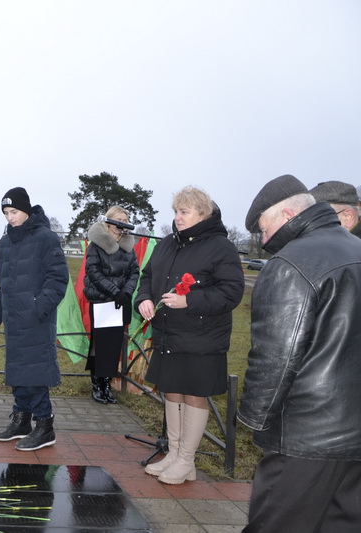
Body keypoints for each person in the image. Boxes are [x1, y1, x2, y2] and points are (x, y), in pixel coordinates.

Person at [239, 174, 361, 532]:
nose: (263, 240)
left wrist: (252, 418)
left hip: (307, 433)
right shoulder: (355, 250)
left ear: (287, 214)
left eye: (263, 229)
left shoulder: (290, 263)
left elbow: (276, 355)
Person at [134, 186, 243, 484]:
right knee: (171, 390)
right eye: (176, 212)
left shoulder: (221, 247)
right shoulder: (168, 243)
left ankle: (186, 459)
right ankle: (174, 453)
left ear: (202, 214)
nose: (178, 218)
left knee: (194, 394)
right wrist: (143, 299)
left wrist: (189, 301)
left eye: (184, 212)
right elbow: (148, 276)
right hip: (169, 334)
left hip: (202, 337)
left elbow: (232, 292)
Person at [0, 187, 69, 451]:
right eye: (6, 213)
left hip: (36, 319)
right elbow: (2, 283)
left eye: (15, 212)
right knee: (18, 371)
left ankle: (45, 426)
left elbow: (57, 279)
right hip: (13, 319)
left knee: (35, 372)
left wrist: (37, 309)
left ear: (26, 210)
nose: (10, 217)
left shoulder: (46, 239)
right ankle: (21, 420)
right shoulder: (5, 243)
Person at [82, 206, 139, 404]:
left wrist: (126, 293)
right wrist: (115, 292)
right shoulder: (96, 245)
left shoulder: (128, 246)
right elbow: (93, 272)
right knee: (100, 344)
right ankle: (97, 383)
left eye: (125, 219)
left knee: (114, 346)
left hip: (120, 302)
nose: (122, 224)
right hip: (102, 301)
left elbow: (134, 272)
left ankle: (107, 383)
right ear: (109, 221)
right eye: (119, 219)